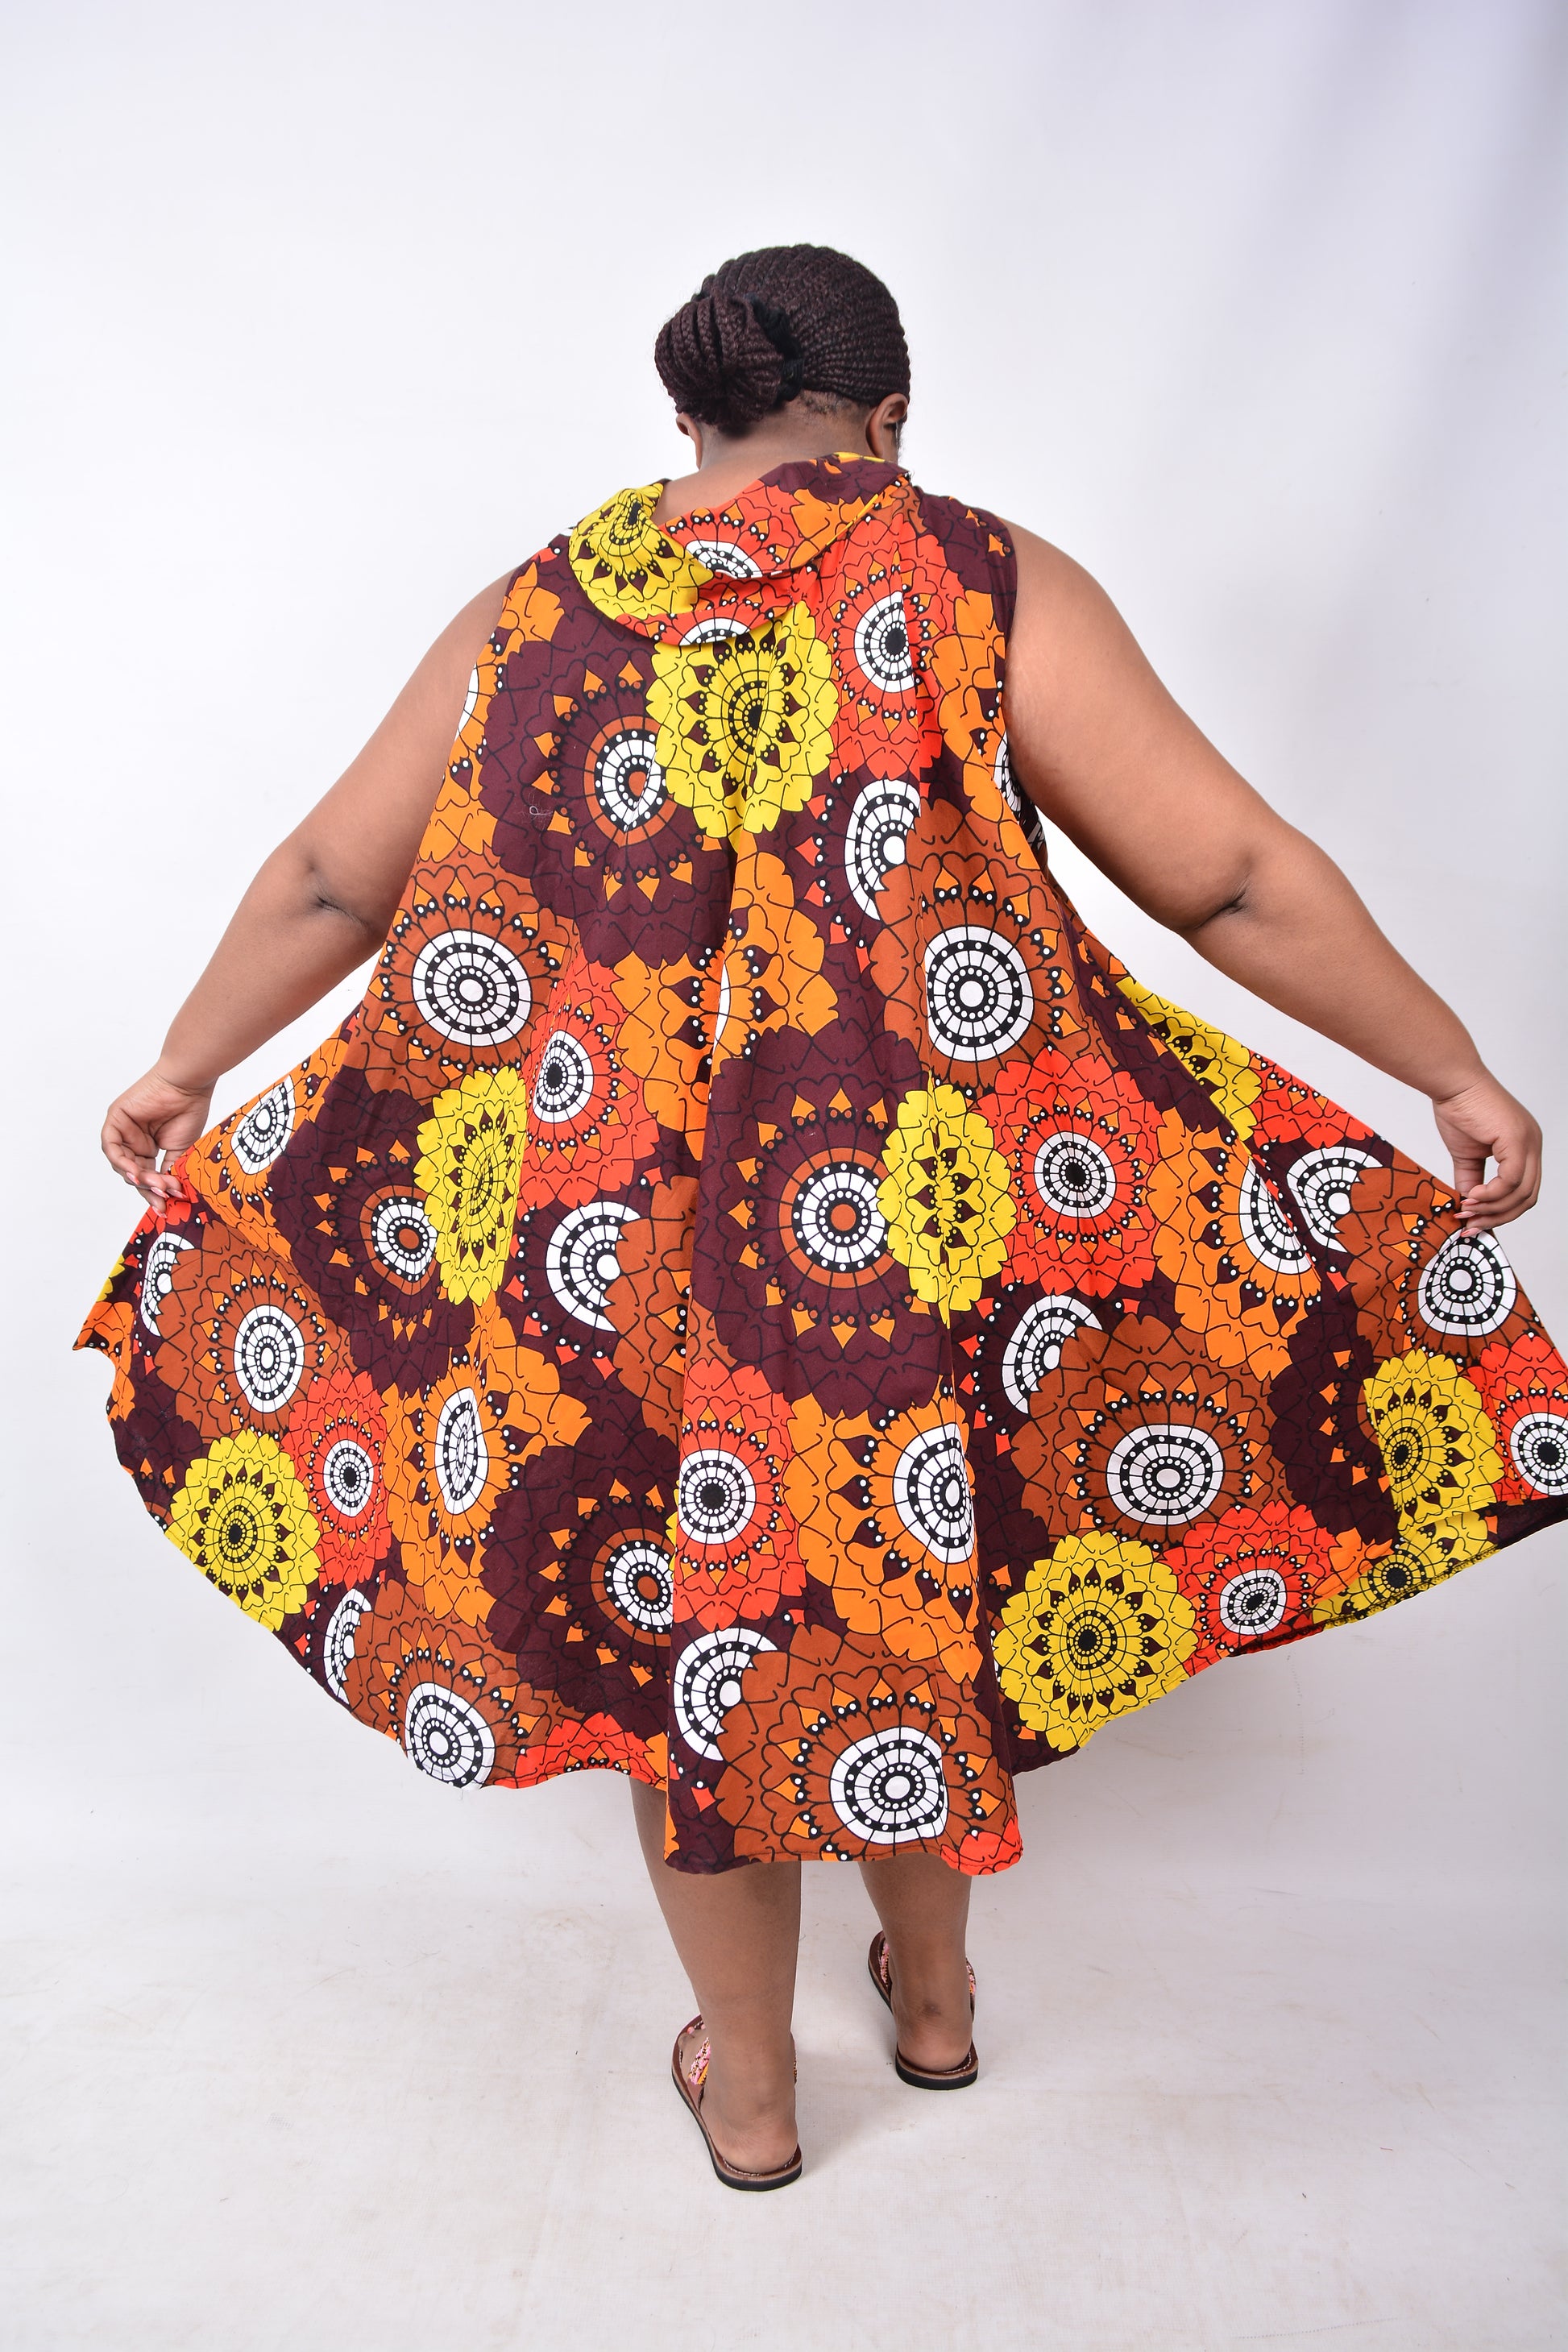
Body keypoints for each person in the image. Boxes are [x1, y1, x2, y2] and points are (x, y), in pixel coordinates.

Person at [81, 244, 1565, 2192]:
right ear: (887, 417)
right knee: (886, 1595)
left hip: (596, 1270)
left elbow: (327, 885)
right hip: (905, 1239)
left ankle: (756, 2095)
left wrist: (188, 1063)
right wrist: (1443, 1064)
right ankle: (933, 2006)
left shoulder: (536, 603)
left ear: (683, 419)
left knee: (678, 1649)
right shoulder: (973, 573)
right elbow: (1222, 875)